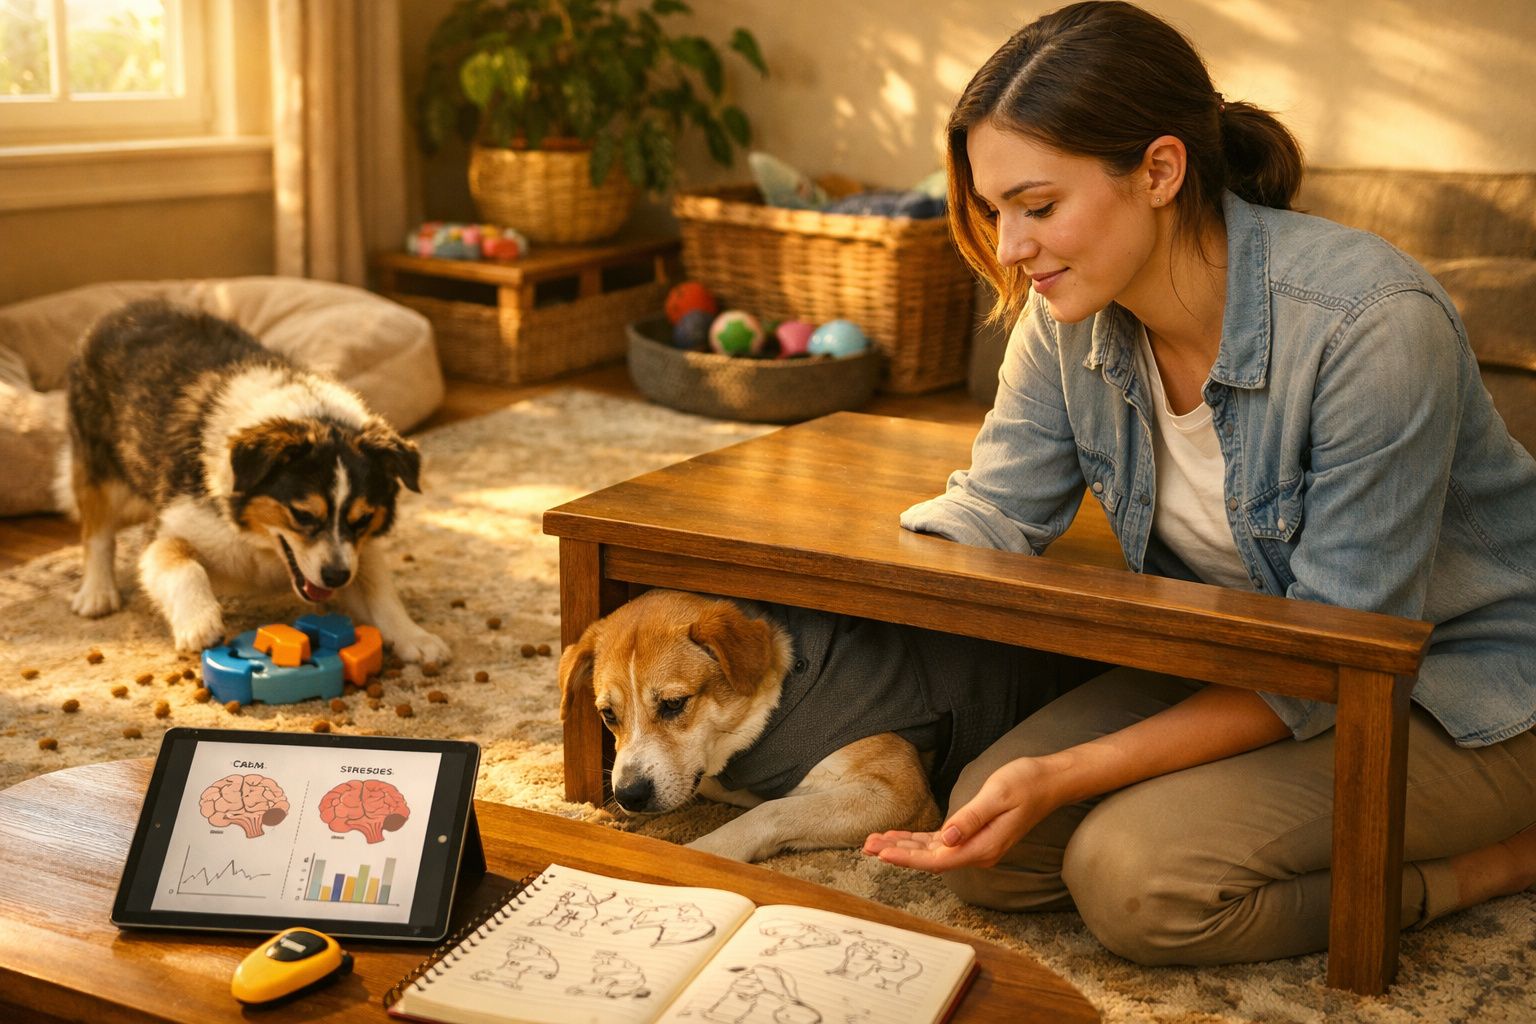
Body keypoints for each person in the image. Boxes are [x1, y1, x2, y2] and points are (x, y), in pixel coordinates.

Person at [862, 0, 1536, 966]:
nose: (1008, 248)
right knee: (982, 847)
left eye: (1039, 207)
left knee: (1138, 882)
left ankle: (1496, 862)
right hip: (1247, 650)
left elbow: (1339, 651)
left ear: (1161, 171)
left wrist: (1069, 771)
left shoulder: (1371, 327)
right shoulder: (1065, 318)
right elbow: (993, 512)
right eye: (995, 209)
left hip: (1463, 688)